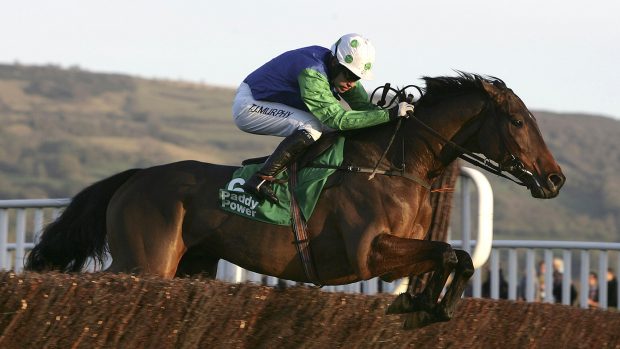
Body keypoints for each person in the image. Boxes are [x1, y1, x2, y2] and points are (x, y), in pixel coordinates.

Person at [232, 33, 414, 203]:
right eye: (349, 75)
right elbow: (338, 119)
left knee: (331, 129)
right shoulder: (312, 72)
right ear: (335, 63)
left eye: (357, 77)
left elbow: (364, 109)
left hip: (272, 102)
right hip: (250, 105)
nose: (352, 82)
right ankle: (260, 178)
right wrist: (389, 114)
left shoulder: (339, 71)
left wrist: (395, 115)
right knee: (313, 127)